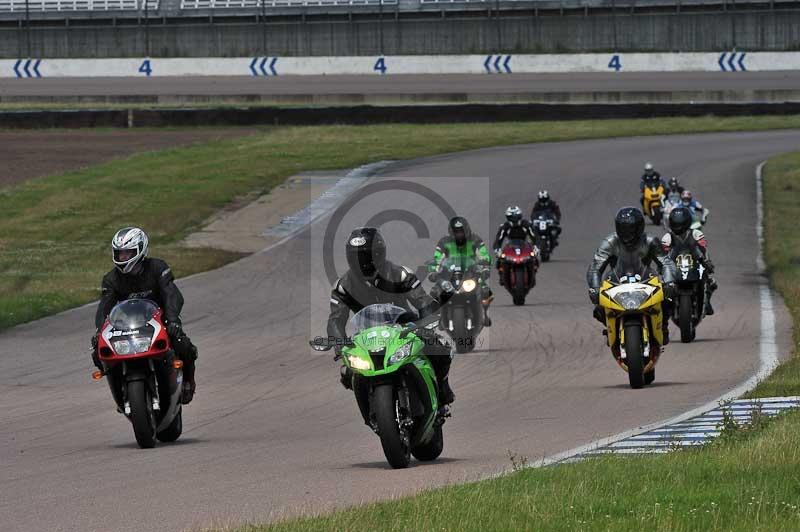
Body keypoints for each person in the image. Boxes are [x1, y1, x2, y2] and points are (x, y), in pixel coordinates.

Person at [327, 227, 456, 405]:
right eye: (356, 257)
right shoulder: (342, 286)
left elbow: (423, 302)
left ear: (379, 253)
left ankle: (442, 388)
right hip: (367, 337)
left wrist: (427, 325)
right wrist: (340, 345)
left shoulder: (400, 274)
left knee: (440, 350)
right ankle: (372, 408)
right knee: (347, 372)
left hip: (405, 329)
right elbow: (335, 320)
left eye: (366, 256)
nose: (362, 262)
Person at [91, 227, 198, 404]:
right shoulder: (111, 279)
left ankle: (188, 381)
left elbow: (172, 294)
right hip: (128, 324)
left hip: (160, 318)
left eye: (127, 253)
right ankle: (118, 387)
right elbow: (104, 307)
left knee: (182, 343)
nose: (123, 257)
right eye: (120, 253)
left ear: (140, 250)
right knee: (97, 351)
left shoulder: (158, 268)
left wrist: (173, 320)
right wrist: (99, 330)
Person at [586, 207, 677, 344]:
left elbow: (666, 263)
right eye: (623, 229)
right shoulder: (609, 242)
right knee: (598, 309)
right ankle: (611, 329)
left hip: (646, 280)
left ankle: (663, 326)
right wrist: (595, 287)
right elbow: (595, 267)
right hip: (616, 282)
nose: (627, 233)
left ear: (639, 228)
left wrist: (669, 282)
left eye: (630, 229)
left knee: (668, 299)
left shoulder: (650, 241)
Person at [430, 216, 494, 327]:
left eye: (461, 231)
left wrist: (485, 267)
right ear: (451, 232)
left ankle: (484, 314)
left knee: (486, 291)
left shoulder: (475, 240)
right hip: (449, 273)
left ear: (467, 230)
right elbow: (437, 258)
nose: (459, 234)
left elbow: (483, 254)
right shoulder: (444, 242)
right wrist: (433, 271)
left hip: (471, 272)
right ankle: (440, 316)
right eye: (456, 232)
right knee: (435, 291)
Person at [661, 207, 718, 315]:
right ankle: (666, 311)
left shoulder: (696, 233)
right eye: (675, 224)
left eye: (680, 224)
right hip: (675, 265)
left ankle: (706, 302)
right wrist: (662, 266)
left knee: (711, 281)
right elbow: (663, 254)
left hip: (694, 262)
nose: (678, 227)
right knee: (662, 286)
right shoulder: (667, 237)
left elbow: (703, 249)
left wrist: (707, 262)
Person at [493, 206, 540, 285]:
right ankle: (501, 275)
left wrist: (536, 247)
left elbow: (535, 237)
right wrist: (497, 250)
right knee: (500, 259)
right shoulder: (504, 227)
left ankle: (533, 273)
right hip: (510, 245)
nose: (514, 219)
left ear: (520, 216)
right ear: (508, 217)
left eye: (516, 217)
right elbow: (498, 240)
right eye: (512, 217)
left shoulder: (527, 224)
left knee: (534, 258)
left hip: (524, 245)